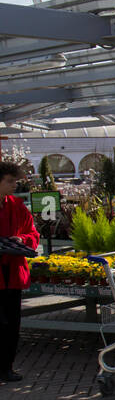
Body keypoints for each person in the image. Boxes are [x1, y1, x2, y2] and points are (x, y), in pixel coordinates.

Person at [0, 162, 40, 382]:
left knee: (12, 324)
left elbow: (33, 235)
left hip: (13, 274)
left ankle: (7, 367)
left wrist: (20, 240)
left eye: (15, 181)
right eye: (9, 181)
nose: (14, 185)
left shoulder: (17, 206)